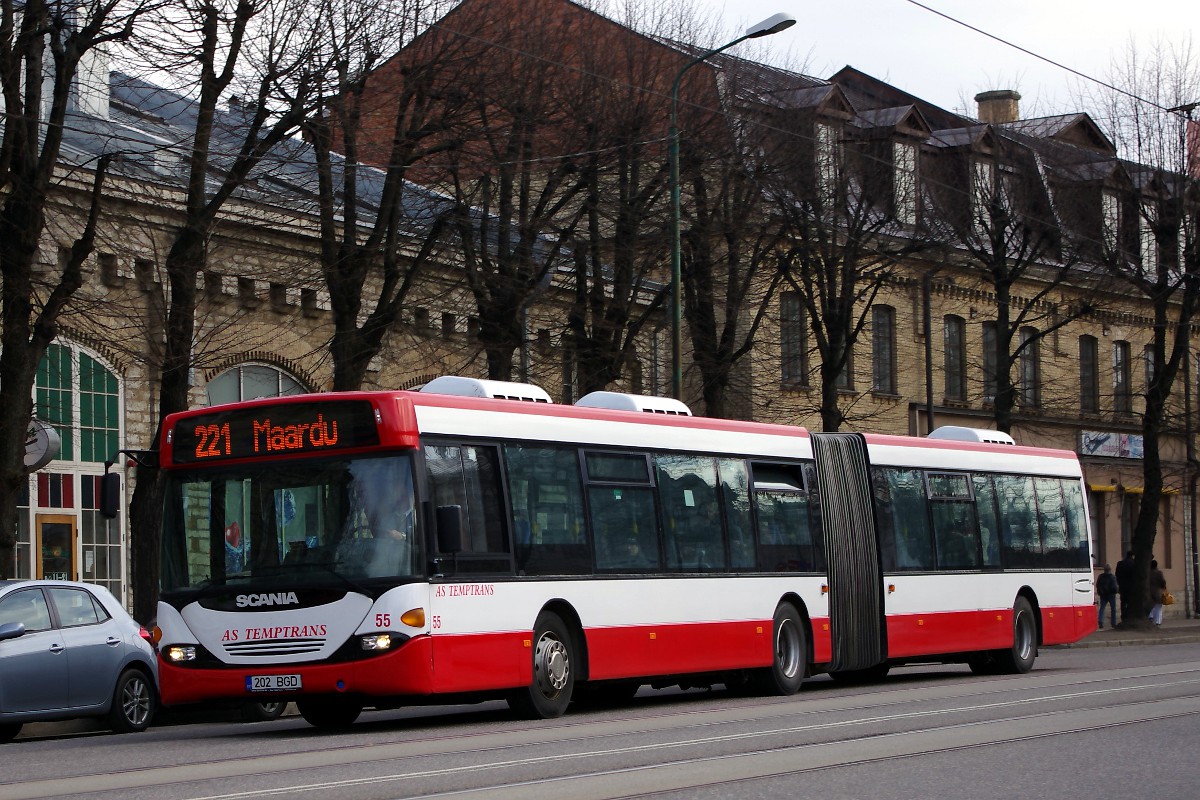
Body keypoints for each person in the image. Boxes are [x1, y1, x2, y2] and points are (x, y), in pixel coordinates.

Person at [1115, 550, 1135, 623]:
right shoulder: (1134, 564)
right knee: (1130, 602)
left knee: (1123, 602)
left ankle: (1123, 616)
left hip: (1122, 586)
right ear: (1132, 556)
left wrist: (1119, 583)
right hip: (1131, 586)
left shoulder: (1120, 563)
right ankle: (1128, 616)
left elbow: (1117, 575)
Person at [1095, 563, 1118, 629]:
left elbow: (1098, 585)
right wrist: (1116, 591)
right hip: (1111, 594)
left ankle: (1100, 621)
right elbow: (1115, 586)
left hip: (1103, 594)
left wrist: (1100, 591)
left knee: (1102, 608)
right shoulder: (1112, 577)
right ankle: (1113, 623)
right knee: (1113, 609)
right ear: (1110, 569)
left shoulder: (1100, 576)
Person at [1147, 558, 1167, 627]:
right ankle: (1158, 621)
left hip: (1149, 591)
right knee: (1158, 607)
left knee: (1150, 606)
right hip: (1158, 591)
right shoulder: (1159, 573)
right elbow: (1163, 582)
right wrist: (1163, 587)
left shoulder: (1148, 573)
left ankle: (1150, 617)